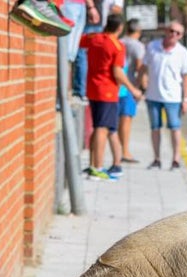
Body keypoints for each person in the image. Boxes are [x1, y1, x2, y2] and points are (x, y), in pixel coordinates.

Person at [80, 12, 139, 179]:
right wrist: (132, 89)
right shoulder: (117, 46)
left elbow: (79, 42)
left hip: (92, 89)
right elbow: (117, 72)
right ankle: (98, 168)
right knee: (102, 128)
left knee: (101, 126)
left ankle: (96, 165)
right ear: (120, 28)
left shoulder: (94, 38)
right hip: (107, 92)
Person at [138, 21, 187, 170]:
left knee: (175, 128)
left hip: (173, 97)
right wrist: (140, 86)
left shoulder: (182, 52)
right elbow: (144, 67)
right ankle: (157, 159)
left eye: (178, 33)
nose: (173, 35)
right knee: (155, 128)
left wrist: (185, 99)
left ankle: (175, 159)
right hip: (153, 95)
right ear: (166, 31)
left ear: (181, 36)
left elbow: (186, 76)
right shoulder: (153, 47)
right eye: (171, 31)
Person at [117, 18, 145, 163]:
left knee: (116, 120)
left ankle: (119, 150)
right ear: (139, 31)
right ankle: (125, 151)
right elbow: (140, 68)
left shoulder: (119, 41)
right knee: (126, 119)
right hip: (129, 86)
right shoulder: (138, 46)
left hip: (116, 84)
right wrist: (141, 87)